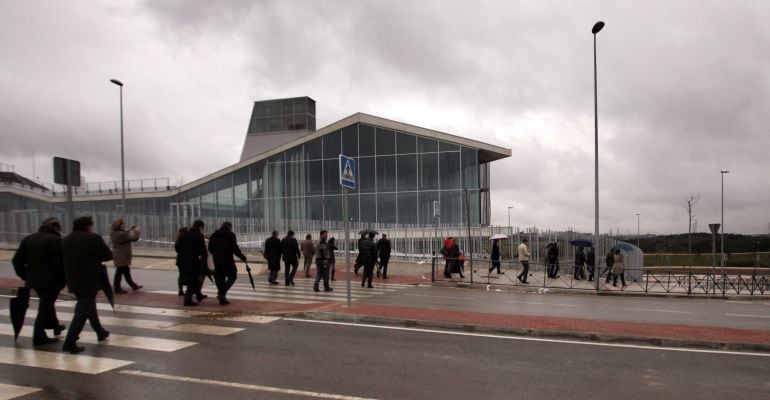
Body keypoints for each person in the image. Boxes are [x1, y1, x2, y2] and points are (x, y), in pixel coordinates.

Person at [61, 216, 113, 353]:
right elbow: (108, 255)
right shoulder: (93, 238)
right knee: (83, 310)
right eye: (92, 225)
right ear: (88, 226)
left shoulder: (66, 239)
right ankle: (70, 342)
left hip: (73, 278)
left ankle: (100, 331)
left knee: (88, 305)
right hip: (89, 278)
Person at [12, 218, 66, 346]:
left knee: (47, 303)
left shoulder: (28, 239)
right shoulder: (56, 241)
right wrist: (64, 278)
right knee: (45, 307)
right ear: (56, 228)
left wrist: (24, 275)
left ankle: (55, 326)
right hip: (51, 281)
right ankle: (38, 336)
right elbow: (60, 264)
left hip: (34, 280)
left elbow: (16, 261)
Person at [208, 222, 247, 305]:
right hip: (227, 259)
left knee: (220, 279)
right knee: (233, 276)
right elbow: (235, 248)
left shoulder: (214, 235)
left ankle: (222, 297)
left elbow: (210, 248)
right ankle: (222, 293)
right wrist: (242, 257)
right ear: (229, 227)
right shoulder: (231, 235)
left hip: (217, 260)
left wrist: (216, 253)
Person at [177, 220, 209, 306]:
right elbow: (202, 251)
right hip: (193, 262)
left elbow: (178, 247)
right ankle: (187, 300)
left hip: (182, 261)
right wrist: (204, 263)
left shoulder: (185, 235)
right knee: (194, 281)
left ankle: (198, 295)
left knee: (189, 279)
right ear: (200, 227)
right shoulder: (198, 236)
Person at [110, 219, 142, 294]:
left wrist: (130, 229)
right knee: (120, 273)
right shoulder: (121, 234)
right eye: (123, 224)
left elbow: (123, 233)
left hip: (118, 255)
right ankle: (117, 288)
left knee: (124, 272)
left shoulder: (113, 233)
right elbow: (134, 239)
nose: (124, 225)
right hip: (122, 256)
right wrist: (137, 231)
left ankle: (133, 285)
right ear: (119, 226)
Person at [174, 227, 189, 296]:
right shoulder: (188, 239)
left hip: (180, 260)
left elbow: (177, 250)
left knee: (181, 275)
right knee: (189, 275)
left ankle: (180, 289)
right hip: (187, 260)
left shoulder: (178, 240)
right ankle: (188, 290)